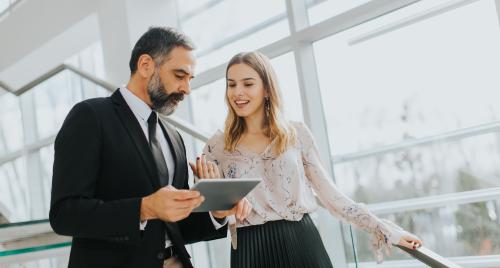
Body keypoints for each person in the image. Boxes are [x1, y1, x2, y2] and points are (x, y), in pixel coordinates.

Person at [193, 51, 422, 268]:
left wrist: (385, 229)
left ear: (267, 89)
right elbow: (213, 213)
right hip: (250, 248)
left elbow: (330, 195)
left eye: (248, 83)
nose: (237, 92)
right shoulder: (216, 147)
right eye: (231, 84)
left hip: (302, 241)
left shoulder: (296, 134)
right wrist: (217, 204)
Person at [49, 27, 250, 268]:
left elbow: (175, 225)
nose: (187, 89)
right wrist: (144, 208)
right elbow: (65, 214)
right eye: (179, 75)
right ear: (145, 65)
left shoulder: (174, 137)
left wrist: (216, 213)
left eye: (190, 79)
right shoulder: (90, 117)